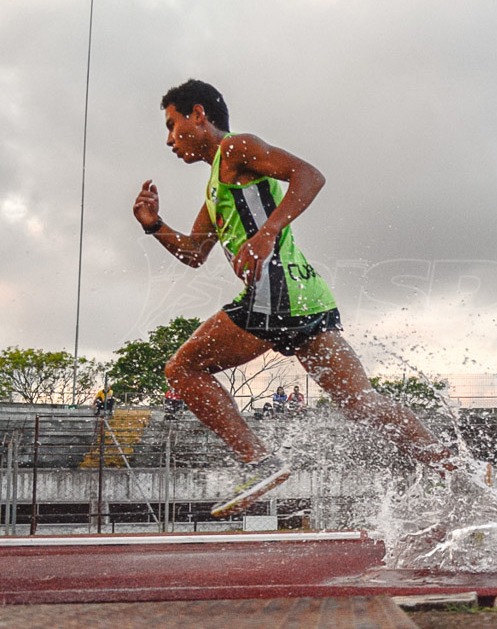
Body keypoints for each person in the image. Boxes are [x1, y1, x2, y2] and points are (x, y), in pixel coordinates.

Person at [133, 79, 454, 518]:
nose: (169, 139)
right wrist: (154, 225)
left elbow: (309, 175)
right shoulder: (216, 183)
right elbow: (194, 253)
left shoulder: (236, 149)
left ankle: (259, 461)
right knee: (360, 403)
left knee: (183, 368)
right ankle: (453, 467)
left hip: (275, 289)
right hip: (306, 295)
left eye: (172, 125)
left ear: (199, 115)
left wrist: (267, 234)